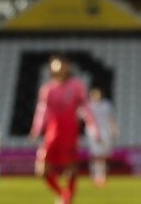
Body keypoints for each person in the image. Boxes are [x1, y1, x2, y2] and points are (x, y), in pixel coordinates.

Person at [30, 55, 98, 204]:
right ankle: (63, 195)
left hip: (69, 132)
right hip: (52, 133)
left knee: (71, 170)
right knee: (42, 170)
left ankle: (67, 199)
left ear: (68, 67)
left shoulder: (77, 86)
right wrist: (36, 129)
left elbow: (85, 108)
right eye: (56, 65)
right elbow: (43, 111)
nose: (59, 68)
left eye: (62, 64)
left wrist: (94, 127)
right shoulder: (48, 89)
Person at [86, 87, 119, 187]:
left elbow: (111, 119)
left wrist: (115, 131)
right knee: (97, 155)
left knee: (104, 156)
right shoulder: (89, 106)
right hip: (93, 133)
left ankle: (101, 175)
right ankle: (97, 176)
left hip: (106, 132)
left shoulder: (106, 105)